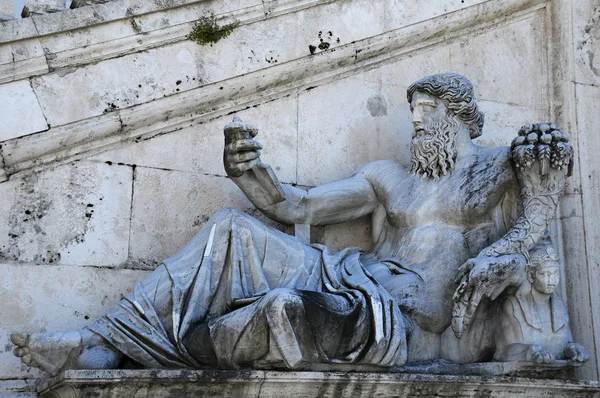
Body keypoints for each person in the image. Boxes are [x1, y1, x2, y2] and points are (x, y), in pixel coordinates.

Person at [11, 73, 572, 375]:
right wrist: (251, 174)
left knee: (293, 309)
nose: (417, 122)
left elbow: (533, 229)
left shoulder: (499, 168)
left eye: (427, 111)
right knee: (232, 227)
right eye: (413, 112)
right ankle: (101, 342)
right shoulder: (387, 177)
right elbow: (297, 207)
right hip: (351, 274)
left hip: (404, 319)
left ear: (457, 114)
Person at [493, 242, 588, 364]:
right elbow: (503, 352)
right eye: (545, 274)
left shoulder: (559, 306)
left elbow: (565, 344)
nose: (552, 280)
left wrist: (573, 349)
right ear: (531, 275)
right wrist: (528, 352)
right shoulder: (512, 304)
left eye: (555, 274)